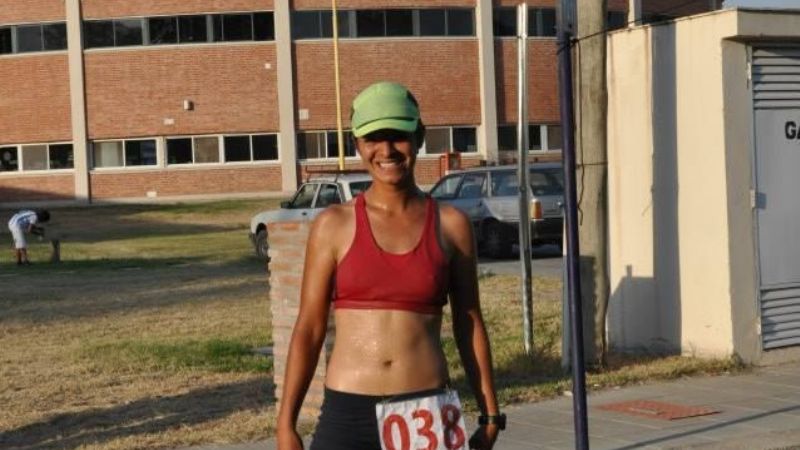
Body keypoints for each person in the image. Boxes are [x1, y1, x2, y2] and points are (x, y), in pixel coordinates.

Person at [276, 82, 503, 450]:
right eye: (373, 138)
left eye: (398, 136)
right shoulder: (334, 224)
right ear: (357, 144)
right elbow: (309, 327)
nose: (386, 150)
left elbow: (469, 321)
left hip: (426, 414)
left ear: (420, 137)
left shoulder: (451, 225)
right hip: (348, 415)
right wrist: (286, 424)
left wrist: (491, 415)